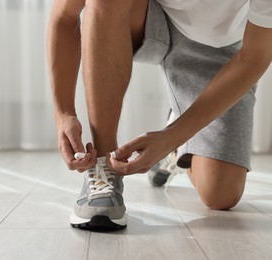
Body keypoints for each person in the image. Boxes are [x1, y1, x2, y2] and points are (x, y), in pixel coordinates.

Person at [46, 0, 272, 230]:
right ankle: (104, 169)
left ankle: (176, 147)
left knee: (221, 194)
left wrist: (172, 136)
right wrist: (64, 113)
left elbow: (255, 56)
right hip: (150, 18)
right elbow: (64, 16)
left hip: (221, 47)